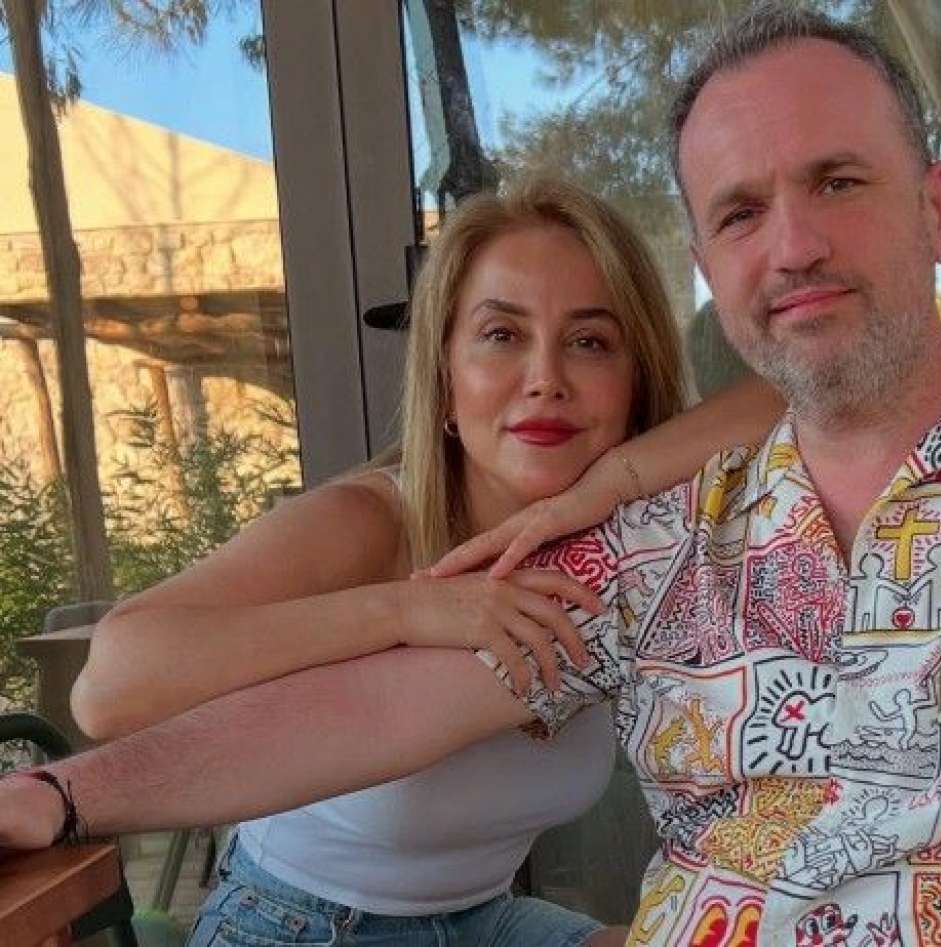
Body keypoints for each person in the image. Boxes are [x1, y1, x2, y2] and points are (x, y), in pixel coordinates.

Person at [2, 6, 941, 946]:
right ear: (712, 276)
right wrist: (65, 800)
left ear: (936, 207)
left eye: (836, 183)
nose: (791, 245)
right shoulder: (660, 534)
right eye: (738, 213)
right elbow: (358, 715)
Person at [49, 176, 783, 947]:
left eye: (590, 341)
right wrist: (405, 609)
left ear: (636, 384)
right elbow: (111, 685)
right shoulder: (374, 520)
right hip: (302, 925)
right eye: (501, 335)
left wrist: (612, 484)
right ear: (445, 378)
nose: (546, 378)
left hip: (485, 918)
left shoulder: (639, 534)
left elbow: (816, 398)